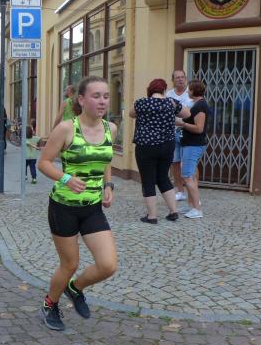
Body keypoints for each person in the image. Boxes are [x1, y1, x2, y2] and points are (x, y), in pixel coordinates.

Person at [37, 76, 118, 331]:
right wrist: (66, 178)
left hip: (92, 207)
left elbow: (105, 159)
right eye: (96, 96)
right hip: (63, 207)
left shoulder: (111, 129)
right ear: (81, 100)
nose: (102, 101)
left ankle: (75, 288)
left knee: (108, 265)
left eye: (106, 96)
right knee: (69, 264)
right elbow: (43, 163)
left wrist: (108, 185)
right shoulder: (66, 128)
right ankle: (50, 304)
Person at [130, 78, 191, 224]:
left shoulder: (141, 103)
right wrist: (172, 112)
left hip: (146, 146)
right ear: (164, 90)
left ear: (150, 90)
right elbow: (187, 114)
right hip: (166, 146)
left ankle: (152, 216)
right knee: (163, 177)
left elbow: (131, 114)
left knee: (148, 180)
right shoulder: (171, 102)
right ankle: (173, 212)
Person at [178, 80, 211, 218]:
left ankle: (197, 209)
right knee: (190, 175)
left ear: (193, 91)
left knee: (187, 175)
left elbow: (199, 128)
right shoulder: (197, 105)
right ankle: (192, 206)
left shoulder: (200, 106)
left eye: (189, 89)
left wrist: (182, 124)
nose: (187, 91)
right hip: (190, 144)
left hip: (193, 145)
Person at [166, 71, 193, 201]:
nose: (180, 79)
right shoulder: (168, 95)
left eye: (182, 77)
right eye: (177, 78)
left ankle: (193, 194)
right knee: (175, 163)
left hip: (187, 132)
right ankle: (180, 191)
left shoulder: (190, 93)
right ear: (173, 80)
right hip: (172, 132)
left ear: (185, 79)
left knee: (190, 164)